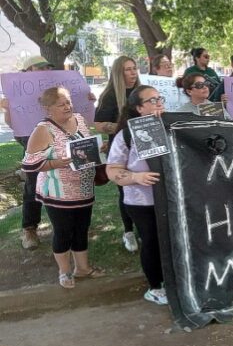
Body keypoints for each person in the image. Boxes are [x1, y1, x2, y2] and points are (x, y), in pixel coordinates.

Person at [22, 87, 102, 289]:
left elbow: (85, 145)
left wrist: (97, 149)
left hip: (84, 189)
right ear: (49, 109)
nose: (68, 106)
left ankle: (82, 268)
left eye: (68, 102)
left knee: (82, 229)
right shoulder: (43, 130)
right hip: (58, 192)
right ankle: (64, 272)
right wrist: (60, 162)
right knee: (63, 231)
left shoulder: (79, 119)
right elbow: (30, 164)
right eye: (61, 104)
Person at [106, 86, 168, 305]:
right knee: (151, 241)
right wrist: (136, 177)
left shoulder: (172, 127)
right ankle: (155, 287)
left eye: (159, 98)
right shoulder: (126, 135)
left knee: (170, 241)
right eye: (152, 101)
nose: (158, 102)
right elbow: (112, 170)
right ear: (139, 108)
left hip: (171, 198)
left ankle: (174, 280)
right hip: (142, 201)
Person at [1, 55, 55, 249]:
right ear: (28, 71)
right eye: (40, 67)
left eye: (47, 67)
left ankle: (62, 223)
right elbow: (13, 124)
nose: (45, 70)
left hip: (58, 138)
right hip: (32, 140)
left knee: (61, 180)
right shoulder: (17, 92)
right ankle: (29, 229)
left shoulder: (55, 88)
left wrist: (86, 99)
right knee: (34, 184)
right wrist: (7, 109)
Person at [95, 55, 140, 253]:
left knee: (144, 187)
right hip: (121, 151)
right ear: (118, 73)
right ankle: (128, 231)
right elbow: (98, 125)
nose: (133, 73)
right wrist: (123, 128)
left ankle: (144, 227)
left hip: (143, 148)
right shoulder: (110, 95)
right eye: (128, 69)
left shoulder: (141, 92)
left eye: (134, 68)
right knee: (125, 189)